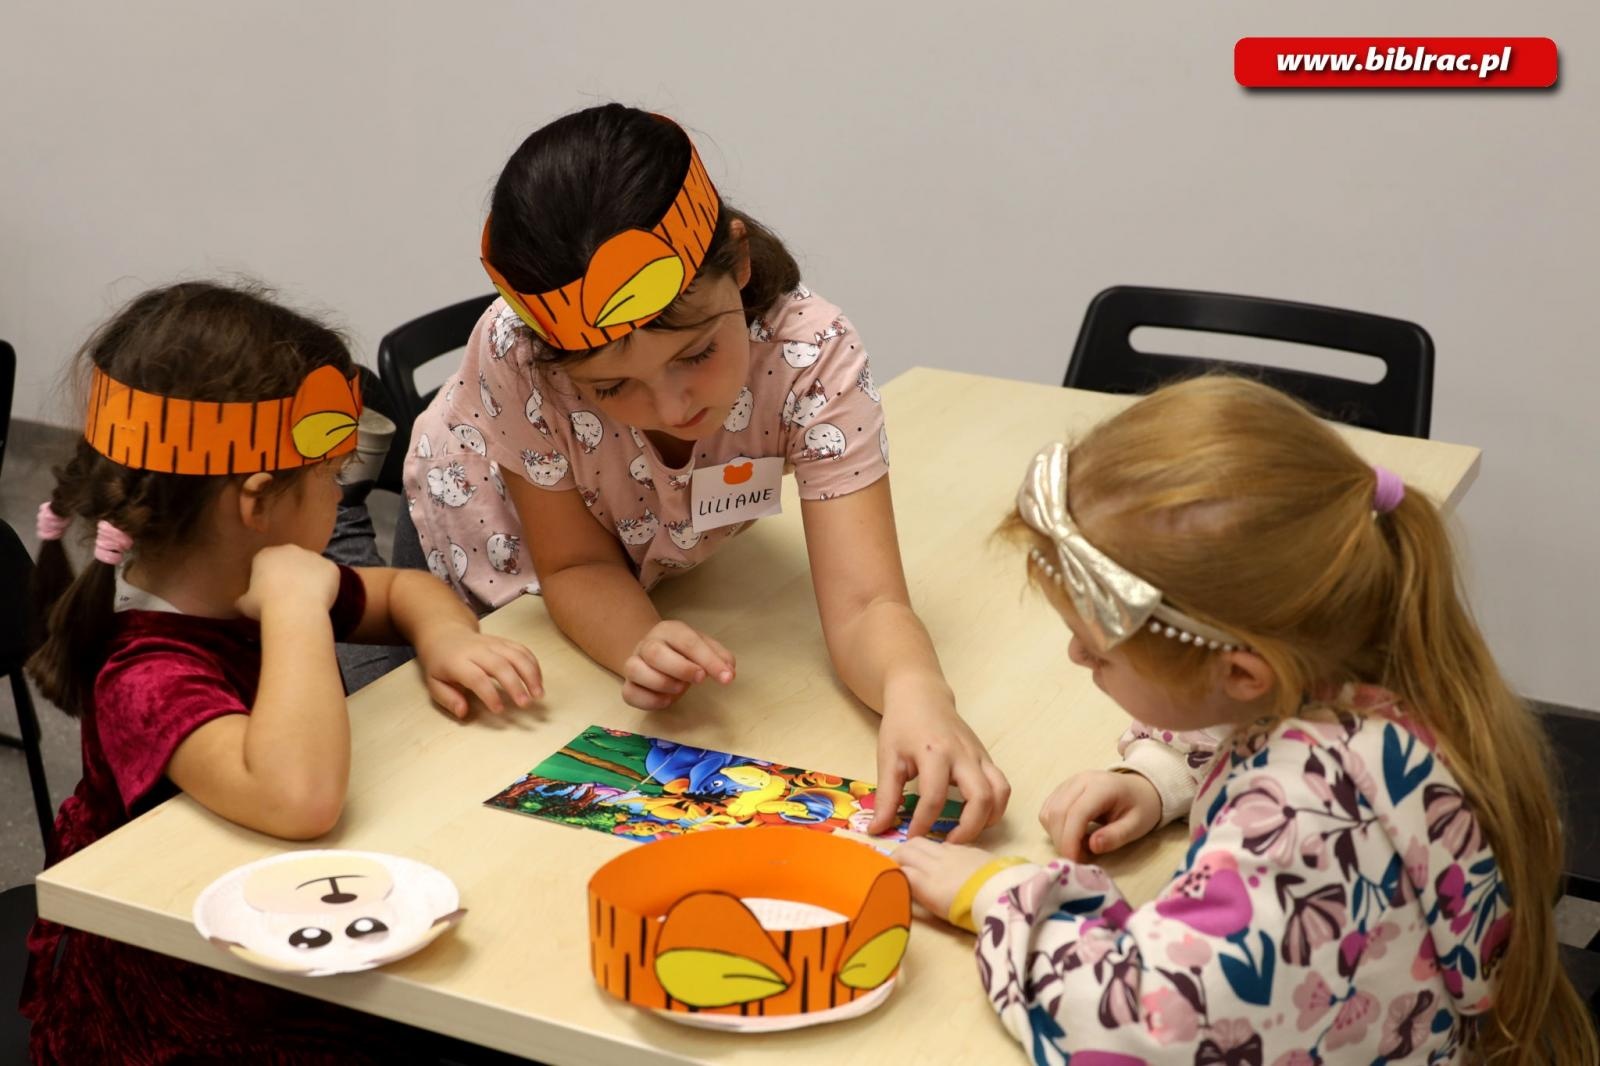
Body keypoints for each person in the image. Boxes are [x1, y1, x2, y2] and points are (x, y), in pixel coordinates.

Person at [896, 376, 1596, 1063]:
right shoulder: (1388, 666)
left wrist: (997, 895)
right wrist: (1161, 777)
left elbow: (1139, 1028)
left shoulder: (1300, 826)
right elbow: (1249, 726)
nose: (1077, 654)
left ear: (1239, 672)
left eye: (1099, 649)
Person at [402, 103, 1007, 840]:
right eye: (611, 388)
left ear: (740, 263)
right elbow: (572, 566)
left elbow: (866, 602)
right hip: (496, 566)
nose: (671, 405)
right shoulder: (518, 354)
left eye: (694, 356)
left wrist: (919, 695)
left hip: (651, 548)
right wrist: (637, 640)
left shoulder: (810, 355)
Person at [22, 281, 543, 1063]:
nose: (340, 498)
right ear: (258, 501)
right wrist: (301, 607)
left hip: (287, 924)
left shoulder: (251, 578)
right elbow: (299, 797)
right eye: (332, 479)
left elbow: (406, 590)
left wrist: (443, 638)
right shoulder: (144, 674)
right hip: (185, 1003)